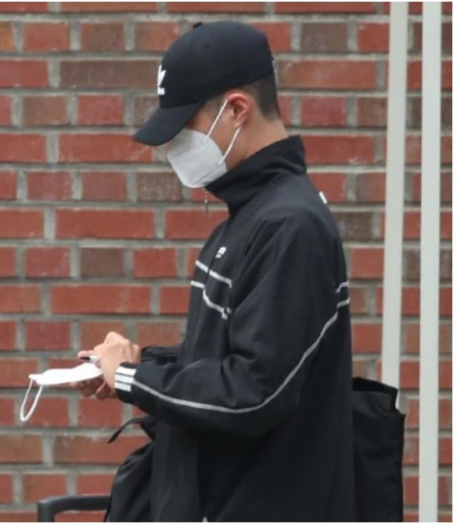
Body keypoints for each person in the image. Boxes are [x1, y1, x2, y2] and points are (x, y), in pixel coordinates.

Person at [77, 21, 355, 521]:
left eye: (185, 127)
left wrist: (135, 380)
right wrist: (142, 363)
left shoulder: (290, 225)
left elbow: (255, 392)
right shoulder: (249, 215)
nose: (175, 146)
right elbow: (232, 354)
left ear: (236, 110)